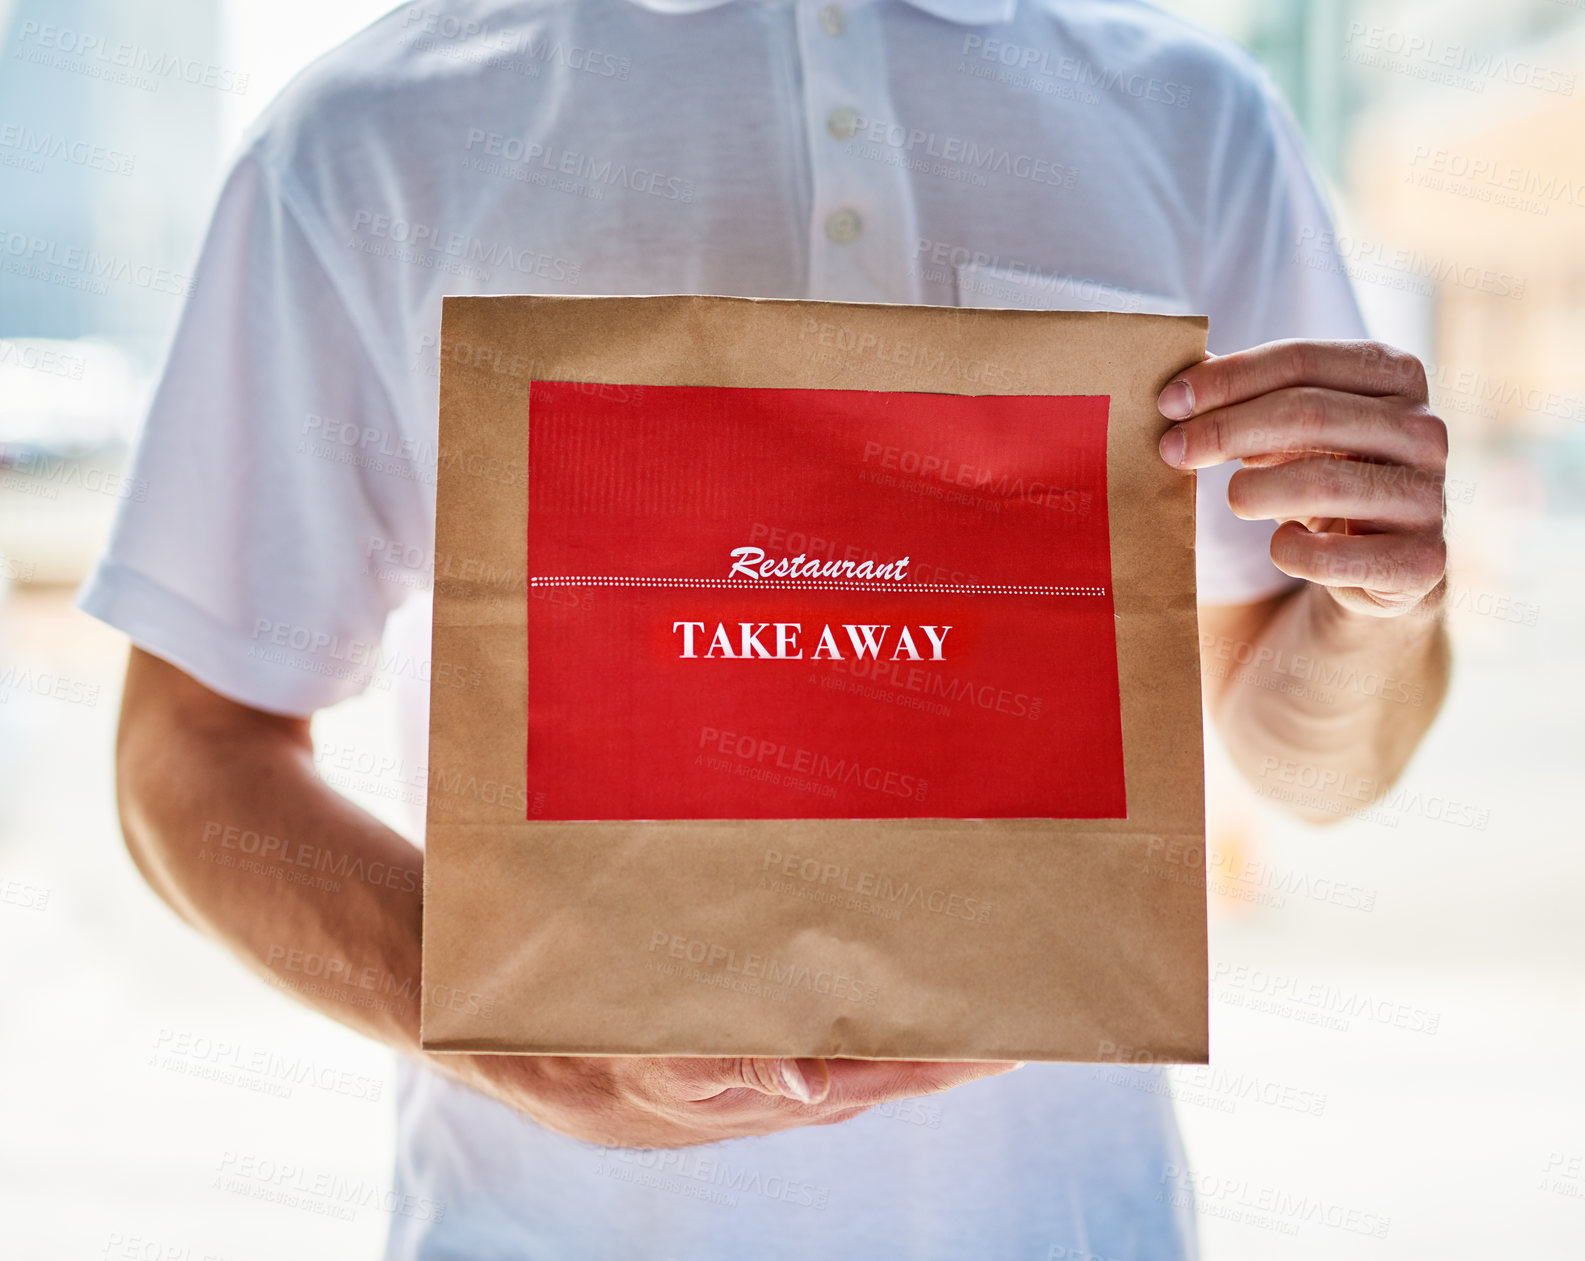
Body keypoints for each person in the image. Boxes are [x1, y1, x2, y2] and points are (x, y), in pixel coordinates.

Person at [81, 1, 1449, 1256]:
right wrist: (504, 1028)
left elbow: (1309, 763)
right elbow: (189, 747)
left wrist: (1372, 610)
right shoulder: (369, 129)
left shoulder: (1190, 113)